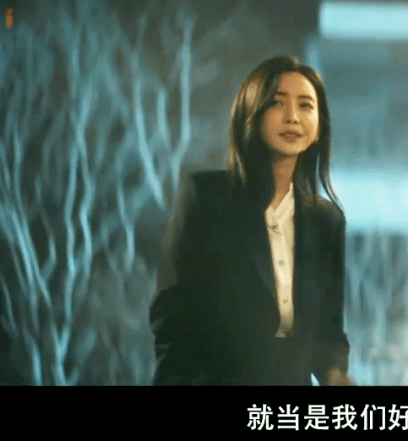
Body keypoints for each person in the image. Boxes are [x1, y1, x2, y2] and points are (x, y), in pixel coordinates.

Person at [151, 55, 353, 386]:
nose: (292, 117)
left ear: (319, 127)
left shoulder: (327, 221)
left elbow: (328, 332)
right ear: (252, 115)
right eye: (277, 103)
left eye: (305, 105)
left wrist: (335, 374)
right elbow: (170, 317)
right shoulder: (207, 199)